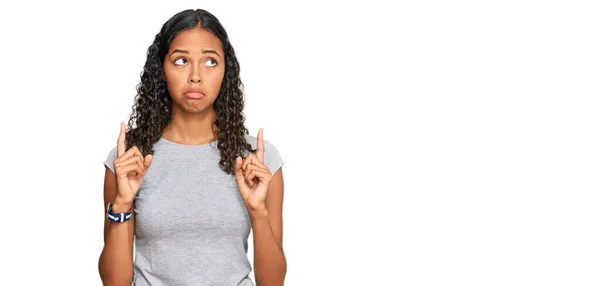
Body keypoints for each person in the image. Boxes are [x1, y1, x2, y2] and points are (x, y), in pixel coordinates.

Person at [98, 9, 287, 286]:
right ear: (162, 70)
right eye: (181, 60)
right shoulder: (129, 159)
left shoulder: (258, 159)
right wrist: (123, 203)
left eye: (210, 61)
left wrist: (258, 212)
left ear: (226, 72)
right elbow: (114, 283)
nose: (195, 76)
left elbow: (273, 283)